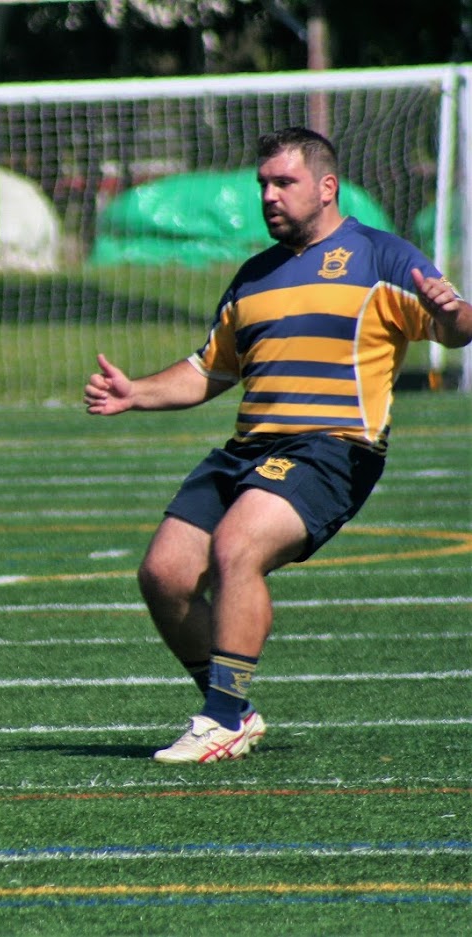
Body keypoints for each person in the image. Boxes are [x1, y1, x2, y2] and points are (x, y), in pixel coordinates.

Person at [83, 127, 472, 764]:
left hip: (332, 447)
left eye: (284, 182)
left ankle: (222, 719)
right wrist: (137, 392)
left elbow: (457, 330)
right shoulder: (254, 276)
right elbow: (210, 369)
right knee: (165, 574)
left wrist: (453, 313)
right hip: (247, 450)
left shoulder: (381, 256)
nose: (268, 195)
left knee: (237, 546)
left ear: (326, 187)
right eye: (263, 183)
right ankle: (233, 707)